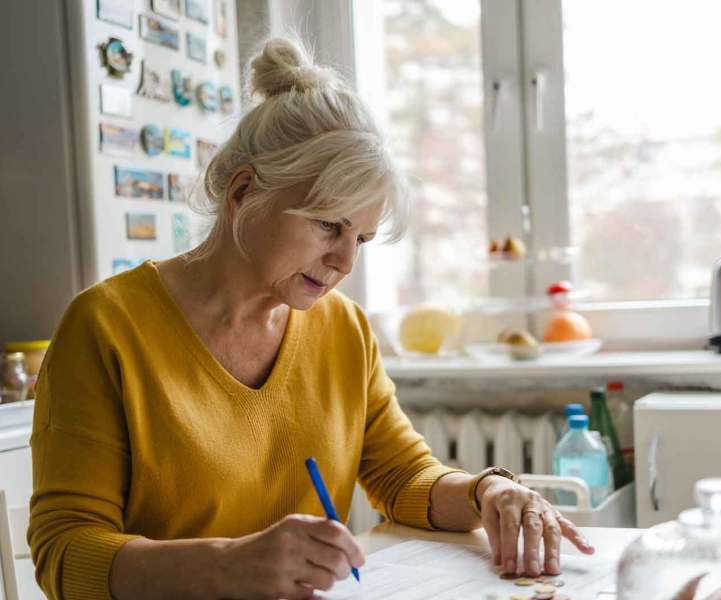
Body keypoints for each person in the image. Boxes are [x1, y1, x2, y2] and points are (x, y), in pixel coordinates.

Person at [26, 38, 593, 600]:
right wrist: (225, 566)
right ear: (244, 191)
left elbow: (403, 478)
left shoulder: (343, 329)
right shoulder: (106, 326)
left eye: (361, 239)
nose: (345, 261)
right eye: (329, 225)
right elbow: (64, 553)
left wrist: (487, 492)